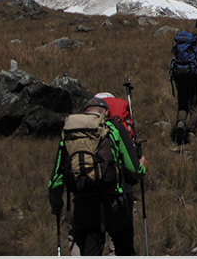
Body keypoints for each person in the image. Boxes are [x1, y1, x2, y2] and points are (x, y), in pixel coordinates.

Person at [48, 97, 148, 256]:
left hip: (83, 203)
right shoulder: (113, 128)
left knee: (90, 251)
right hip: (114, 201)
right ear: (106, 112)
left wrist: (56, 205)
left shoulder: (69, 133)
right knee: (125, 249)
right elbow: (133, 168)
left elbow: (55, 181)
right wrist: (142, 167)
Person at [170, 32, 197, 144]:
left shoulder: (178, 50)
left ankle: (180, 124)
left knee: (182, 105)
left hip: (180, 79)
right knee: (194, 107)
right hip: (193, 79)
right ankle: (191, 131)